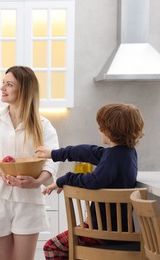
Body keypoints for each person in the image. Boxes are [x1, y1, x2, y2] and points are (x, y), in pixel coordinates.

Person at [0, 66, 59, 260]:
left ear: (25, 89)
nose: (2, 88)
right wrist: (1, 171)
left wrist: (37, 181)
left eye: (9, 84)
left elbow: (51, 161)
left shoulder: (43, 125)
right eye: (3, 83)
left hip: (28, 200)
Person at [38, 103, 145, 259]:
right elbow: (87, 151)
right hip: (118, 230)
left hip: (102, 232)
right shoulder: (126, 153)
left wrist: (65, 179)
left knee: (51, 247)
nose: (99, 129)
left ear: (108, 130)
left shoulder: (112, 157)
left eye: (101, 126)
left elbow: (94, 180)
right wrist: (54, 154)